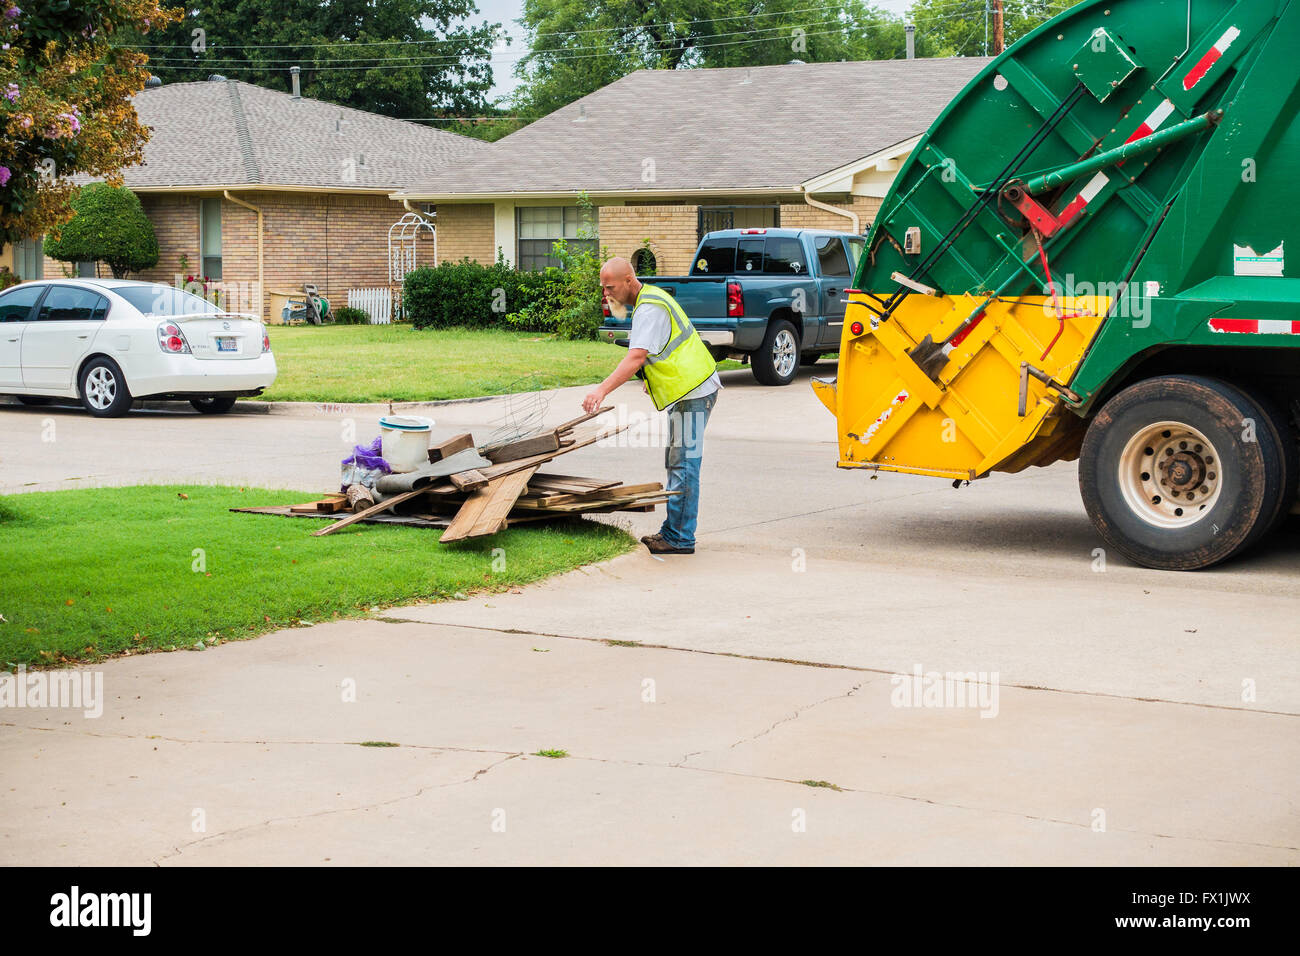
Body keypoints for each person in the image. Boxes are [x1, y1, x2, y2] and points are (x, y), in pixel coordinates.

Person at [582, 257, 720, 554]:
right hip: (691, 389)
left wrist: (601, 390)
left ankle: (679, 538)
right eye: (603, 288)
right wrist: (650, 377)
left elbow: (636, 357)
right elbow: (661, 349)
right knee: (680, 462)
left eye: (610, 287)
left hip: (692, 392)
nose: (606, 293)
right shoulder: (651, 298)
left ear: (629, 281)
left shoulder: (649, 308)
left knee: (683, 464)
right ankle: (676, 532)